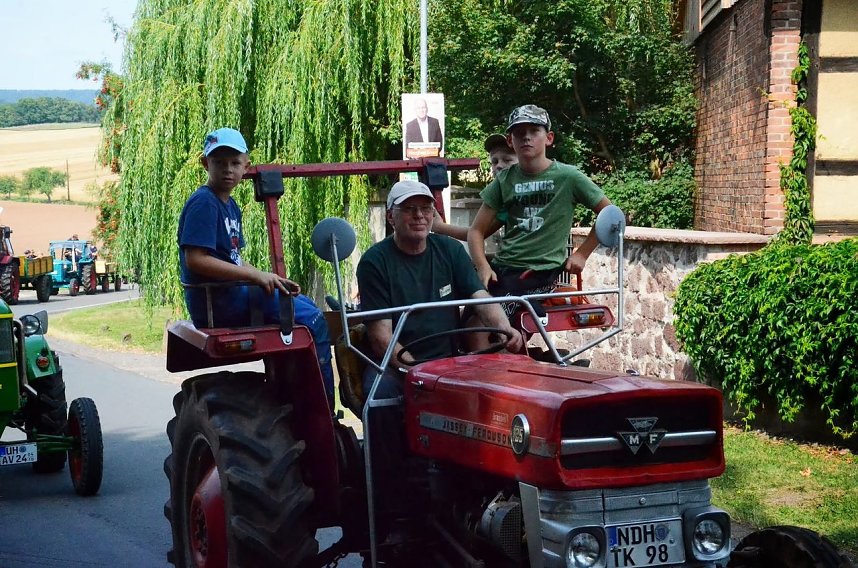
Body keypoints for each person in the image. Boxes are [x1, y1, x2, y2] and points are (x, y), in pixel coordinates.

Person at [356, 179, 523, 517]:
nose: (419, 216)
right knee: (380, 404)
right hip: (396, 363)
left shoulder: (449, 251)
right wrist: (416, 371)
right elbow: (381, 337)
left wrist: (505, 328)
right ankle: (390, 508)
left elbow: (479, 297)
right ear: (391, 217)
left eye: (425, 208)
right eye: (409, 209)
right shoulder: (375, 262)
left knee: (504, 395)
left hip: (450, 361)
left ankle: (495, 497)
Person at [177, 127, 335, 410]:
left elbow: (234, 259)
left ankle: (293, 393)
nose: (228, 169)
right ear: (205, 164)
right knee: (313, 320)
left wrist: (269, 277)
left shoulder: (230, 206)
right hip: (219, 302)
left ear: (246, 166)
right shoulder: (204, 203)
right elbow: (196, 260)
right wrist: (255, 276)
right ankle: (321, 410)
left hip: (234, 295)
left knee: (305, 305)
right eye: (219, 162)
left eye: (235, 163)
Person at [467, 105, 611, 316]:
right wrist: (482, 266)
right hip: (503, 269)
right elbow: (476, 231)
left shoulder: (569, 177)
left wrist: (582, 253)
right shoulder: (504, 180)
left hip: (539, 273)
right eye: (519, 133)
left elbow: (611, 215)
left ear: (549, 138)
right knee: (464, 312)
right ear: (510, 141)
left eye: (534, 131)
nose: (526, 137)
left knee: (484, 323)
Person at [432, 133, 518, 241]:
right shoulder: (501, 194)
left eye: (507, 160)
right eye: (494, 162)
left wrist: (439, 227)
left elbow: (478, 232)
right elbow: (477, 232)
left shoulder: (515, 193)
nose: (499, 165)